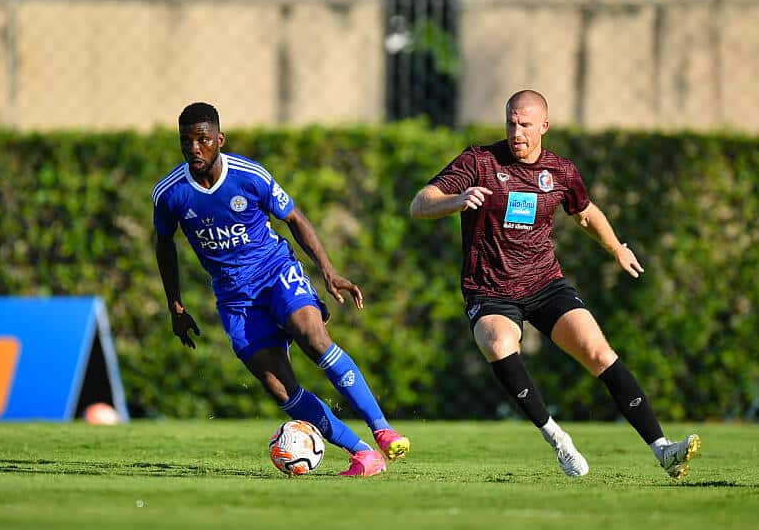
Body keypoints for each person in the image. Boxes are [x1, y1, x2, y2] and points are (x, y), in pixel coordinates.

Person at [409, 90, 699, 479]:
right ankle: (558, 439)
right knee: (498, 343)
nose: (517, 132)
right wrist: (455, 201)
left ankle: (663, 449)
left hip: (545, 284)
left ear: (544, 126)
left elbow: (584, 213)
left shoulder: (560, 172)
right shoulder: (478, 161)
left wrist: (617, 248)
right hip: (490, 290)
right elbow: (420, 203)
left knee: (598, 351)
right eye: (511, 122)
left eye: (526, 124)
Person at [153, 102, 410, 477]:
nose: (194, 148)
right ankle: (363, 454)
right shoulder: (170, 193)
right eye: (186, 141)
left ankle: (382, 428)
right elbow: (164, 244)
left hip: (275, 272)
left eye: (203, 140)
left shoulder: (249, 176)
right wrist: (175, 306)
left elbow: (294, 218)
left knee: (312, 337)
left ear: (219, 140)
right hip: (234, 298)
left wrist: (328, 270)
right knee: (280, 388)